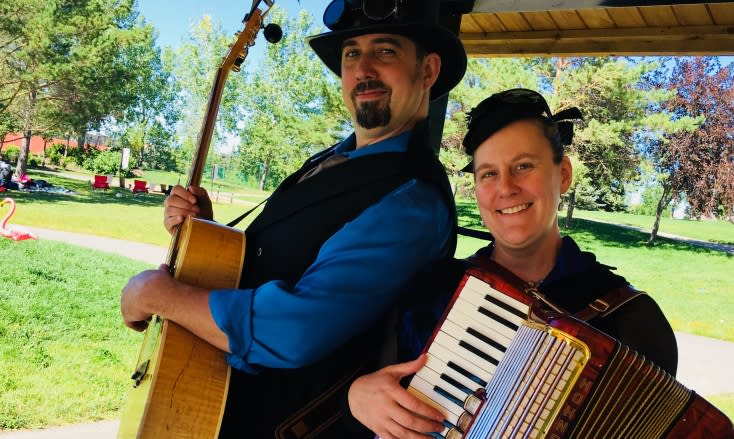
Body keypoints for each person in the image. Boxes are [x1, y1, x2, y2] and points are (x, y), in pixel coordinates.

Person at [120, 1, 467, 437]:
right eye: (351, 55)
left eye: (386, 51)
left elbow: (296, 329)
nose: (363, 70)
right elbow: (283, 256)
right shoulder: (334, 159)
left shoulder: (411, 200)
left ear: (429, 71)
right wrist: (207, 235)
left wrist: (158, 294)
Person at [346, 88, 678, 438]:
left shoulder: (632, 321)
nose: (506, 188)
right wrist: (357, 399)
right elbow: (379, 395)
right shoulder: (431, 289)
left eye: (523, 166)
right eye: (488, 173)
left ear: (563, 174)